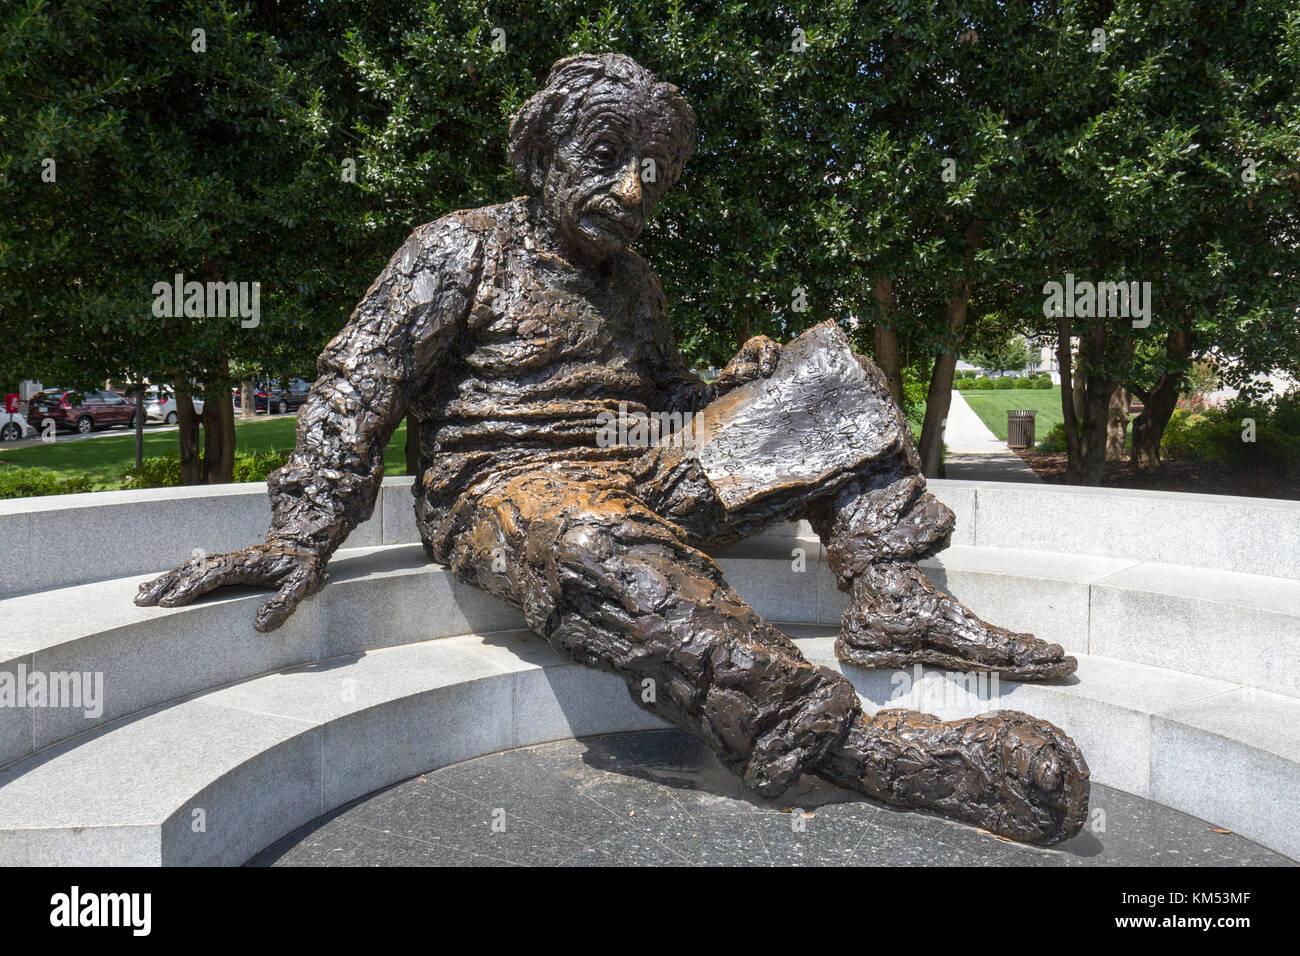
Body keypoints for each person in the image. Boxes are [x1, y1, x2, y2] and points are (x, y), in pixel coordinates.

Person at [137, 53, 1088, 845]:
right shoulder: (457, 250)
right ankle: (857, 746)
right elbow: (358, 382)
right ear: (546, 154)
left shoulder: (635, 281)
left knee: (829, 381)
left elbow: (660, 399)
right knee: (600, 546)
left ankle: (896, 598)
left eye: (656, 175)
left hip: (636, 468)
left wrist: (734, 389)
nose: (634, 191)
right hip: (506, 491)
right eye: (606, 157)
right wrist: (304, 532)